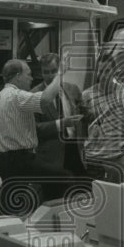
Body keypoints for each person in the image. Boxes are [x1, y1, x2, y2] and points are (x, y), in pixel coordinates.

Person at [0, 58, 66, 211]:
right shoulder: (17, 96)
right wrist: (60, 75)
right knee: (64, 178)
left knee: (12, 205)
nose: (32, 78)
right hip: (23, 160)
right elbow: (45, 99)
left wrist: (0, 150)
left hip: (4, 162)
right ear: (18, 76)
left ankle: (12, 230)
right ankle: (52, 221)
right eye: (29, 74)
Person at [32, 52, 87, 199]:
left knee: (80, 200)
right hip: (51, 159)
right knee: (54, 202)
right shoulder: (35, 95)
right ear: (41, 72)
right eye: (46, 72)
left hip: (76, 152)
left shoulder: (73, 89)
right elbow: (35, 128)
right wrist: (60, 124)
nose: (49, 76)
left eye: (53, 71)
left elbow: (85, 114)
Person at [80, 55, 124, 182]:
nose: (104, 75)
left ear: (114, 71)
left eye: (107, 71)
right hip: (94, 158)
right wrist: (82, 152)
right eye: (101, 71)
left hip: (117, 158)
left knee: (121, 197)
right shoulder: (86, 96)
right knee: (96, 199)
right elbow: (82, 126)